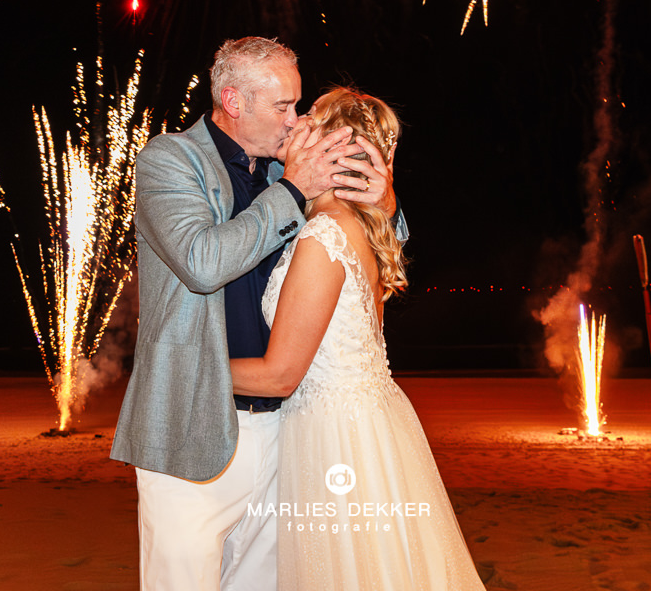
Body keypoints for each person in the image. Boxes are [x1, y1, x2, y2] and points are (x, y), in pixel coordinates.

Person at [110, 38, 398, 591]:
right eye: (283, 107)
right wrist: (291, 190)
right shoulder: (170, 159)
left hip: (285, 427)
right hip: (194, 423)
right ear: (234, 101)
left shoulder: (279, 172)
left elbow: (365, 247)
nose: (294, 122)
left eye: (297, 106)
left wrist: (385, 201)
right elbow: (201, 262)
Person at [230, 88, 487, 590]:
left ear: (329, 147)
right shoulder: (357, 228)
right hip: (367, 424)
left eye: (307, 117)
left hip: (334, 437)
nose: (294, 122)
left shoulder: (324, 237)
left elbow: (281, 375)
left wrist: (186, 366)